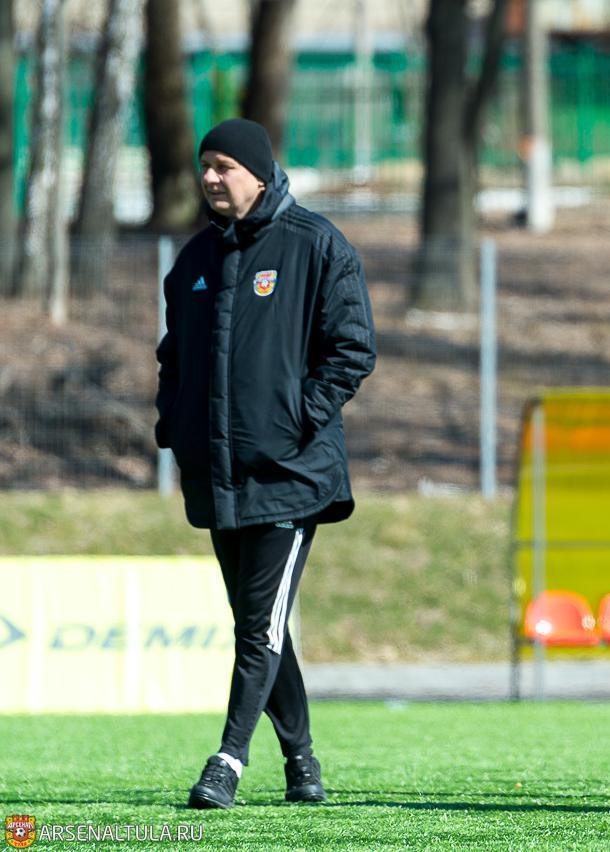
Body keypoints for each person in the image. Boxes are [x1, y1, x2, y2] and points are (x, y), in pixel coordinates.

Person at [155, 118, 376, 809]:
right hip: (218, 478)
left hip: (291, 475)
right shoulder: (194, 260)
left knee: (258, 628)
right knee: (262, 628)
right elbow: (172, 359)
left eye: (224, 165)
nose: (210, 177)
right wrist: (175, 426)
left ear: (257, 172)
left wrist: (296, 418)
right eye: (205, 165)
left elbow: (352, 349)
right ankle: (302, 764)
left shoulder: (315, 243)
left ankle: (227, 761)